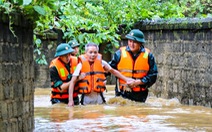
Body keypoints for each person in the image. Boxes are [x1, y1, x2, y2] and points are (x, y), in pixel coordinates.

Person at [68, 43, 134, 106]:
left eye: (95, 52)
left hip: (99, 97)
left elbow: (113, 71)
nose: (93, 55)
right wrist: (70, 100)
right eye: (90, 52)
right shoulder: (80, 65)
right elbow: (72, 82)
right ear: (86, 53)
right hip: (86, 98)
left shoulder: (102, 63)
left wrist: (126, 79)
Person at [109, 29, 158, 102]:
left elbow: (153, 75)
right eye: (130, 41)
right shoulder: (119, 54)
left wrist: (138, 82)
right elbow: (109, 69)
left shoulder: (148, 56)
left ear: (140, 43)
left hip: (140, 94)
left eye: (134, 42)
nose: (131, 44)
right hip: (122, 93)